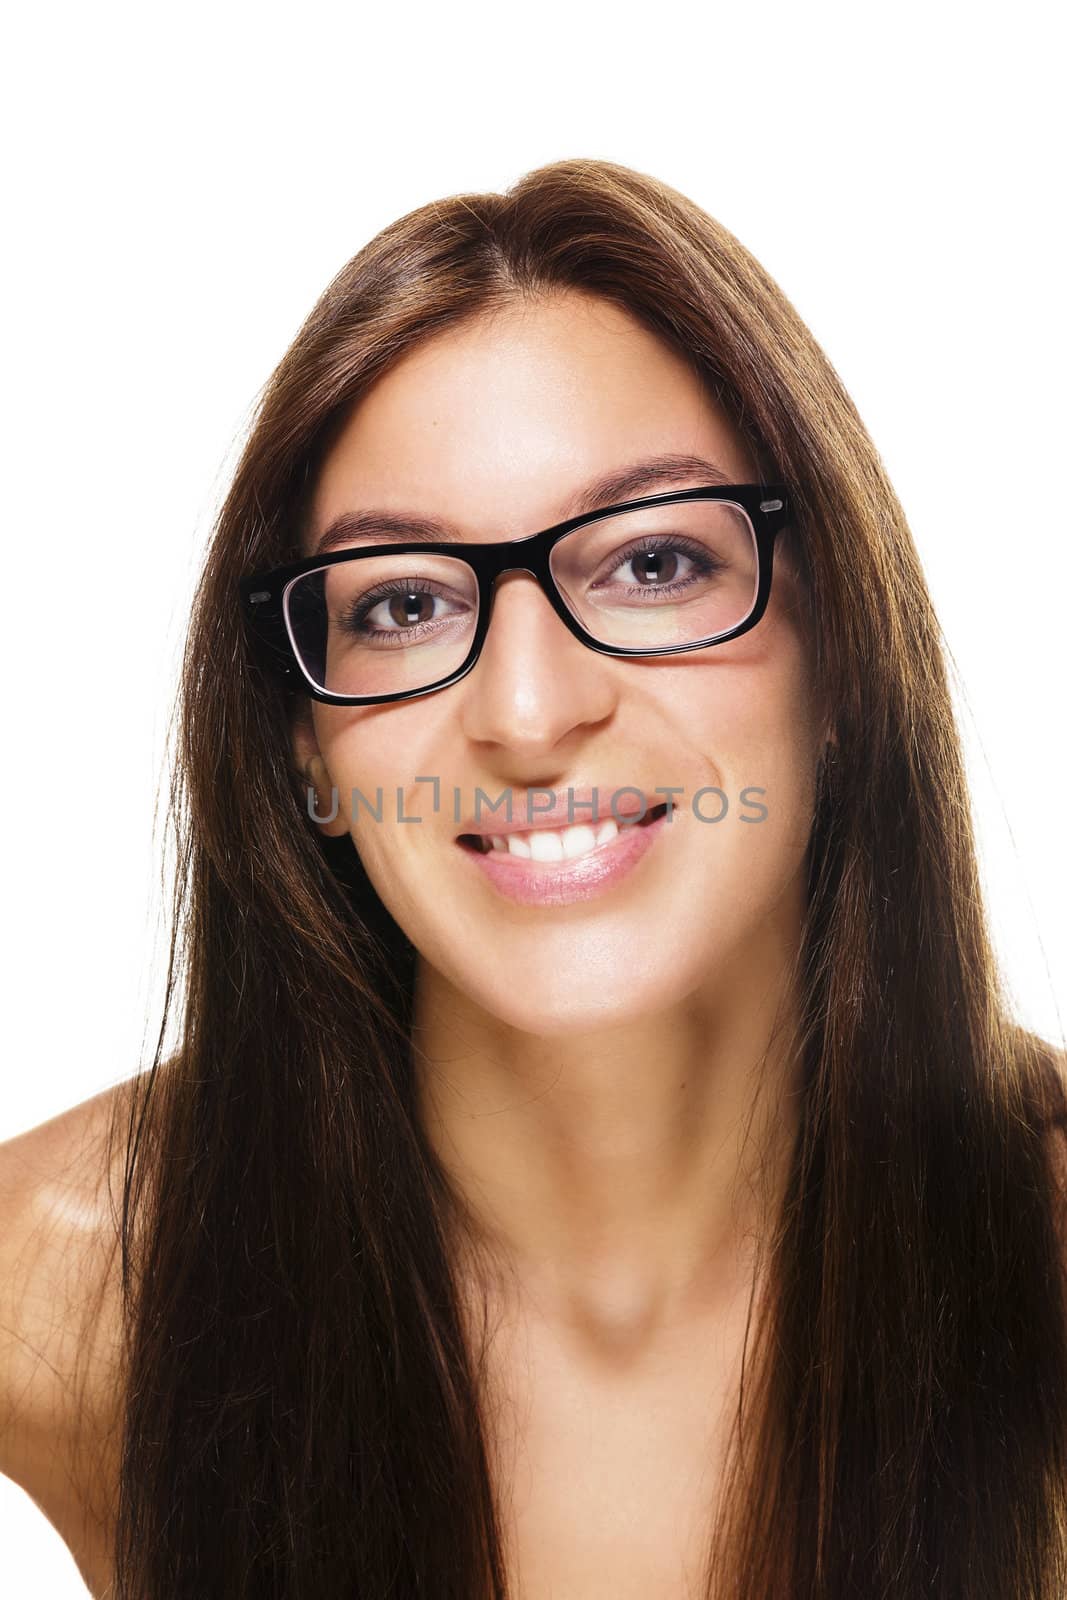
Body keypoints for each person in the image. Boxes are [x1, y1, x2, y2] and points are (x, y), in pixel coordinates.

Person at [2, 156, 1066, 1599]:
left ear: (843, 668)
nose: (524, 711)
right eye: (404, 604)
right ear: (306, 750)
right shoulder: (64, 1282)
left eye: (652, 565)